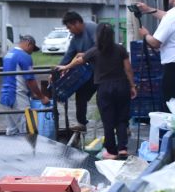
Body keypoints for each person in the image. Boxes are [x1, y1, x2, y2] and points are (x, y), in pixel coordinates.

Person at [55, 22, 136, 159]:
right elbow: (128, 69)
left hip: (104, 88)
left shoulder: (95, 51)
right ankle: (122, 149)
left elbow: (79, 60)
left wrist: (65, 66)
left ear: (98, 35)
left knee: (108, 120)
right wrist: (132, 86)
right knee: (122, 119)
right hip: (122, 86)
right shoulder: (120, 49)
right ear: (112, 35)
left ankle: (111, 152)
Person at [0, 34, 50, 135]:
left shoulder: (8, 55)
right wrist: (42, 97)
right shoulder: (24, 56)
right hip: (18, 98)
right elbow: (30, 80)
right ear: (28, 43)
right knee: (28, 129)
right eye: (32, 49)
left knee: (12, 130)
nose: (32, 52)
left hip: (5, 96)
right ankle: (30, 150)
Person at [57, 11, 98, 131]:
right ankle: (81, 123)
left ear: (77, 23)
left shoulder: (91, 28)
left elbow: (99, 47)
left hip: (102, 70)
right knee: (80, 96)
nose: (69, 30)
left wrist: (85, 55)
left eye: (69, 27)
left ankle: (119, 125)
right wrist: (58, 69)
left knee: (104, 99)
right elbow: (68, 56)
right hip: (87, 72)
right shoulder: (75, 39)